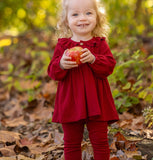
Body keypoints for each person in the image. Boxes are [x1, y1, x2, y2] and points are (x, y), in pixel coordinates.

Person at [47, 0, 119, 159]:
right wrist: (61, 64)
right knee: (71, 143)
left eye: (88, 13)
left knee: (100, 141)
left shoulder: (99, 43)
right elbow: (52, 72)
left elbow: (109, 67)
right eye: (75, 14)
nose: (82, 18)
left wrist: (94, 59)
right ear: (66, 20)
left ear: (97, 17)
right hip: (71, 102)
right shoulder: (63, 45)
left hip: (97, 102)